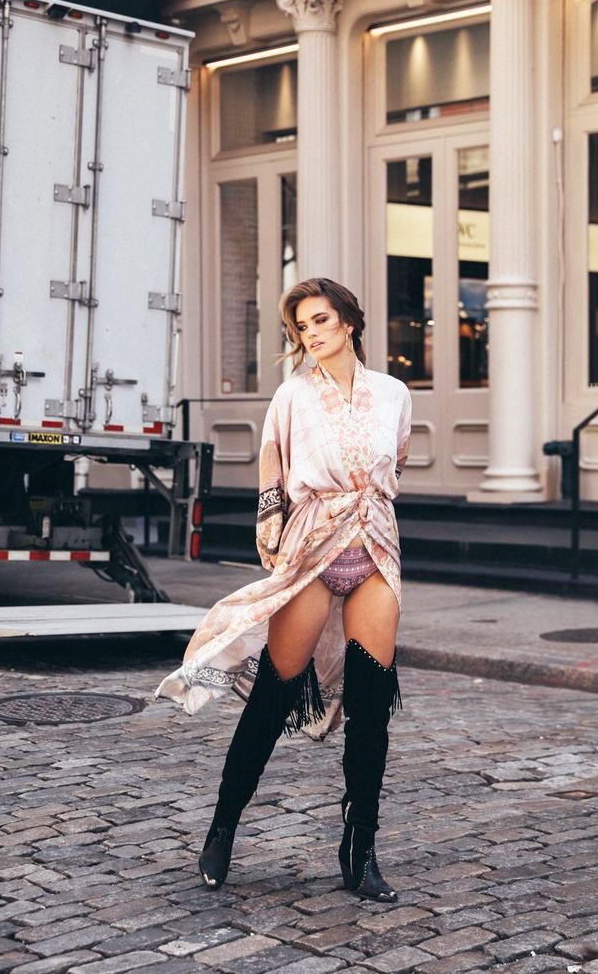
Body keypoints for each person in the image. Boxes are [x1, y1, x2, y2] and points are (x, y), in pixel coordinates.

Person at [155, 277, 412, 902]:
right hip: (312, 548)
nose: (312, 333)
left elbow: (396, 463)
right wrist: (272, 536)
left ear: (348, 322)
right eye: (302, 326)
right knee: (275, 696)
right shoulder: (292, 395)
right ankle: (222, 829)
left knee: (371, 707)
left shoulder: (393, 392)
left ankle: (360, 852)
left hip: (376, 545)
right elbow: (272, 469)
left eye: (322, 320)